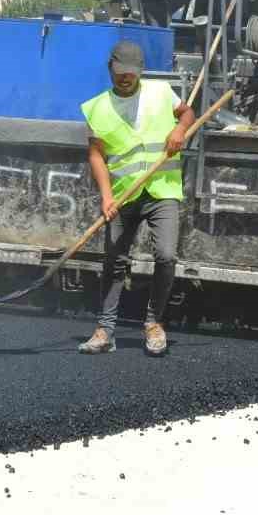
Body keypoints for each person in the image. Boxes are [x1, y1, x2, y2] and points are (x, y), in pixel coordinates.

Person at [77, 40, 194, 357]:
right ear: (110, 70)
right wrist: (105, 197)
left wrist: (181, 129)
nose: (125, 78)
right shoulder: (97, 107)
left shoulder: (159, 92)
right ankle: (105, 330)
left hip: (162, 189)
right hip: (122, 194)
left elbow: (187, 112)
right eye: (119, 73)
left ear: (139, 71)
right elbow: (96, 156)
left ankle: (154, 323)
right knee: (114, 260)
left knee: (167, 256)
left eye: (130, 73)